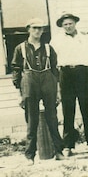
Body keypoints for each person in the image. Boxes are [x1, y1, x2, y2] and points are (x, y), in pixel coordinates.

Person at [11, 18, 64, 165]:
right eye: (34, 28)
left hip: (48, 80)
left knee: (52, 118)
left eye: (40, 28)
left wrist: (57, 91)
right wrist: (19, 93)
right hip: (29, 82)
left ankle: (58, 151)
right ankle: (30, 156)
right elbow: (16, 71)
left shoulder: (48, 48)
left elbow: (55, 70)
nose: (37, 31)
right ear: (28, 29)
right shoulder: (20, 48)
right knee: (32, 120)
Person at [51, 12, 88, 156]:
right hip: (66, 74)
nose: (68, 26)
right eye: (65, 24)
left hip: (83, 73)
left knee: (86, 109)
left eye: (70, 23)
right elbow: (53, 63)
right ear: (62, 26)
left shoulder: (85, 38)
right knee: (68, 110)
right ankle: (68, 146)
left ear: (75, 23)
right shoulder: (56, 41)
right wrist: (57, 83)